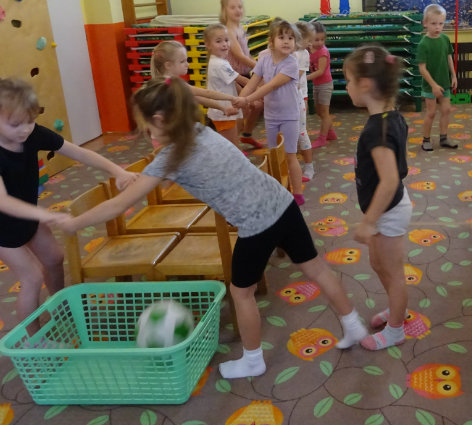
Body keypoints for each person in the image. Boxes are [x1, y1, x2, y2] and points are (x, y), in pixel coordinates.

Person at [54, 77, 368, 379]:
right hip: (282, 203)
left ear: (160, 120)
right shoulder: (200, 130)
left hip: (257, 224)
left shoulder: (169, 158)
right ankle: (353, 324)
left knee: (241, 293)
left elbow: (118, 205)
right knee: (316, 269)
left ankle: (252, 361)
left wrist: (74, 223)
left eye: (146, 125)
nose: (146, 132)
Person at [0, 78, 138, 323]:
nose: (25, 129)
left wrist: (117, 170)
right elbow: (4, 202)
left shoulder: (32, 134)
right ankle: (33, 339)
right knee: (31, 278)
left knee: (54, 258)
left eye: (30, 121)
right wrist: (44, 215)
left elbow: (78, 152)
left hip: (28, 216)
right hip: (3, 229)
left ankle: (60, 307)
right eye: (15, 124)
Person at [343, 45, 411, 350]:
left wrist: (369, 221)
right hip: (385, 208)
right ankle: (397, 308)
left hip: (389, 210)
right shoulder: (389, 116)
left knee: (393, 273)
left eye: (348, 81)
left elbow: (390, 180)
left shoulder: (377, 130)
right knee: (378, 263)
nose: (346, 87)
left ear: (365, 85)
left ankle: (396, 329)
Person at [239, 19, 305, 205]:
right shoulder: (264, 59)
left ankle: (298, 194)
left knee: (290, 155)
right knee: (274, 155)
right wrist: (239, 102)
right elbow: (252, 83)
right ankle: (278, 191)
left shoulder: (292, 63)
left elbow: (270, 86)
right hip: (271, 116)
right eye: (281, 37)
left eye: (290, 38)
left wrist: (246, 100)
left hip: (290, 116)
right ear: (271, 41)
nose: (286, 41)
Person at [149, 39, 243, 115]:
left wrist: (223, 108)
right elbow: (206, 93)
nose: (187, 64)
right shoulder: (173, 84)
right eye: (182, 61)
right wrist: (232, 98)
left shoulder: (163, 82)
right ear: (168, 65)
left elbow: (198, 98)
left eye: (186, 60)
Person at [219, 0, 264, 149]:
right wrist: (260, 67)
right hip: (232, 75)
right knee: (243, 108)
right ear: (224, 10)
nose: (237, 10)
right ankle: (234, 144)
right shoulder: (227, 30)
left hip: (244, 72)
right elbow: (239, 55)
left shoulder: (240, 28)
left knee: (258, 105)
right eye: (232, 7)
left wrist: (258, 65)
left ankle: (247, 135)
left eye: (239, 7)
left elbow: (246, 53)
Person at [416, 4, 459, 151]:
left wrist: (454, 76)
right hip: (430, 85)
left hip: (445, 82)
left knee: (446, 110)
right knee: (431, 113)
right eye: (433, 23)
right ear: (425, 23)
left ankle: (444, 138)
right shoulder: (423, 44)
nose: (437, 27)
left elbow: (449, 58)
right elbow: (422, 68)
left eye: (441, 23)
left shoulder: (445, 39)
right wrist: (433, 85)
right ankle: (426, 140)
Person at [204, 23, 248, 147]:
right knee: (231, 145)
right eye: (218, 41)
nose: (224, 44)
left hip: (225, 110)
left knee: (232, 141)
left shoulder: (221, 61)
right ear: (208, 45)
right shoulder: (219, 64)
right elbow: (242, 80)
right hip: (223, 113)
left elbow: (233, 82)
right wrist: (262, 89)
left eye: (226, 40)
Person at [308, 21, 336, 149]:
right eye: (316, 39)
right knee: (319, 111)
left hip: (325, 85)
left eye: (322, 39)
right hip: (317, 84)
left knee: (324, 112)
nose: (320, 42)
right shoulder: (309, 49)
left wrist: (304, 78)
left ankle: (322, 138)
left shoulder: (323, 52)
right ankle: (330, 132)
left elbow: (320, 71)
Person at [294, 22, 315, 182]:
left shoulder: (303, 54)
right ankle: (292, 163)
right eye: (308, 40)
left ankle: (309, 166)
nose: (310, 44)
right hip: (286, 98)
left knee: (301, 132)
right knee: (289, 133)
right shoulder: (289, 51)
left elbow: (295, 77)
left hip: (299, 97)